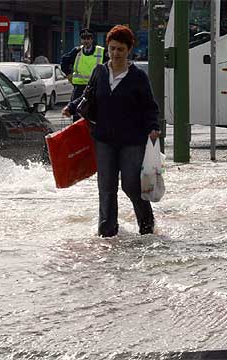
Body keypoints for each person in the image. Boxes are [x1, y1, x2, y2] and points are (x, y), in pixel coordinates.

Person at [62, 25, 161, 237]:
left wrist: (153, 127)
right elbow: (87, 97)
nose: (115, 53)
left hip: (131, 141)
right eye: (112, 48)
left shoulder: (138, 77)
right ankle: (107, 233)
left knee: (130, 185)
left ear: (129, 50)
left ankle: (147, 226)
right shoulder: (99, 72)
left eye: (120, 49)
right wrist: (71, 107)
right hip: (104, 139)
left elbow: (149, 106)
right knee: (106, 189)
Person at [60, 28, 107, 120]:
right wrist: (69, 75)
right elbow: (64, 61)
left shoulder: (101, 51)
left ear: (92, 40)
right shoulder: (77, 51)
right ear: (81, 40)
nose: (86, 41)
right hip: (79, 88)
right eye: (84, 38)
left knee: (95, 115)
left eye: (88, 38)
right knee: (77, 115)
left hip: (95, 88)